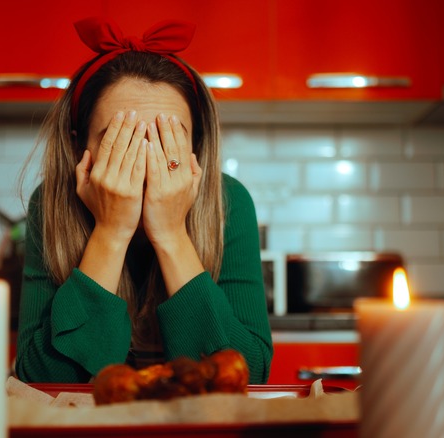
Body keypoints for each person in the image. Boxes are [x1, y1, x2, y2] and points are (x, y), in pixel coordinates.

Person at [14, 18, 273, 384]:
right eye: (121, 139)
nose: (146, 160)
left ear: (195, 149)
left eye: (167, 139)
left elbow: (248, 373)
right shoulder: (52, 202)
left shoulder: (228, 200)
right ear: (78, 147)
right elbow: (44, 380)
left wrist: (170, 233)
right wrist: (110, 232)